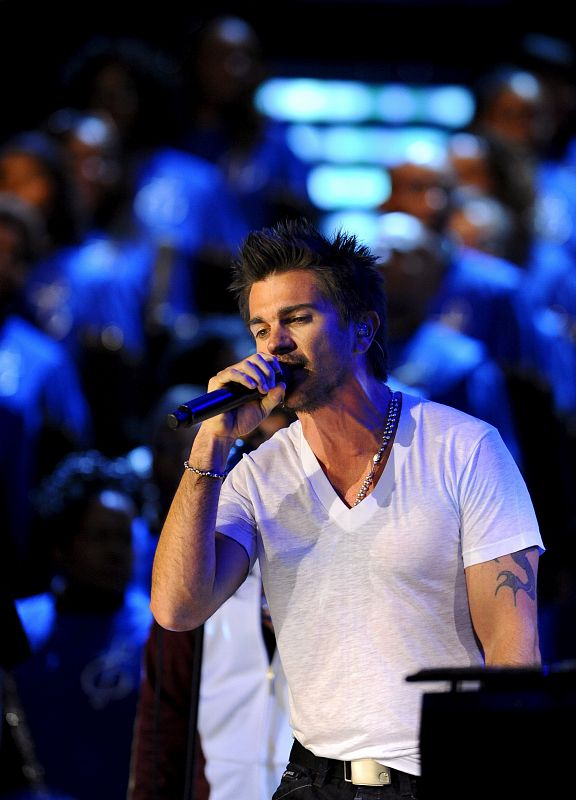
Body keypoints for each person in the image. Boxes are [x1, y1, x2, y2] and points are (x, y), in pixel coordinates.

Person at [150, 217, 544, 799]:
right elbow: (177, 608)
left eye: (298, 319)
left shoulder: (463, 448)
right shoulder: (258, 475)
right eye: (260, 329)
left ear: (363, 331)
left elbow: (514, 652)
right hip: (313, 779)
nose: (275, 344)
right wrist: (212, 444)